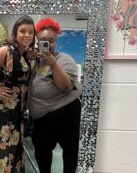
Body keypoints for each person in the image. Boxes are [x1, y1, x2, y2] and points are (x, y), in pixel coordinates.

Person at [0, 15, 36, 173]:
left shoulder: (20, 52)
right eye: (22, 31)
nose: (26, 35)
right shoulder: (7, 49)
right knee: (3, 147)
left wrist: (27, 55)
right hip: (1, 109)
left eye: (30, 32)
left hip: (14, 110)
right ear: (15, 33)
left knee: (12, 147)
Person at [28, 18, 82, 173]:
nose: (48, 44)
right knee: (42, 155)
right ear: (37, 41)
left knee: (70, 155)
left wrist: (53, 63)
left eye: (51, 41)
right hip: (41, 120)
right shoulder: (33, 60)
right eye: (43, 40)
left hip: (67, 116)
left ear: (56, 42)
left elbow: (66, 86)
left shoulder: (65, 60)